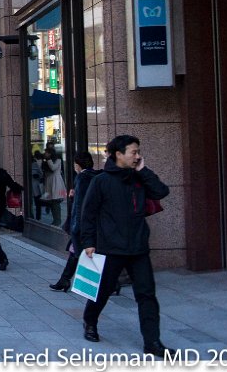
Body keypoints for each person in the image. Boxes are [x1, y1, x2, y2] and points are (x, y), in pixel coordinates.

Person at [79, 135, 172, 355]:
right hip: (111, 247)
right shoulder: (101, 181)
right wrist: (88, 242)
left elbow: (161, 191)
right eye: (133, 152)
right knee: (102, 290)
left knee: (147, 295)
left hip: (138, 247)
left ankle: (152, 343)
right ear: (118, 154)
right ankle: (89, 321)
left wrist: (144, 169)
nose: (137, 156)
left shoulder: (139, 177)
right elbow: (88, 213)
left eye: (138, 152)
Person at [50, 151, 99, 291]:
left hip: (83, 224)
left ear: (77, 165)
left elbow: (81, 205)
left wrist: (75, 227)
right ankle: (64, 280)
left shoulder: (82, 178)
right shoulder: (95, 176)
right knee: (74, 251)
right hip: (92, 223)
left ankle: (110, 283)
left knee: (80, 252)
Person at [41, 146, 67, 226]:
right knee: (51, 202)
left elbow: (53, 168)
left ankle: (57, 220)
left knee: (55, 201)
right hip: (49, 182)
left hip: (56, 182)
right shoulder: (45, 161)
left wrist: (48, 160)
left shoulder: (58, 160)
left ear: (50, 153)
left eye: (47, 152)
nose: (45, 154)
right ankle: (55, 219)